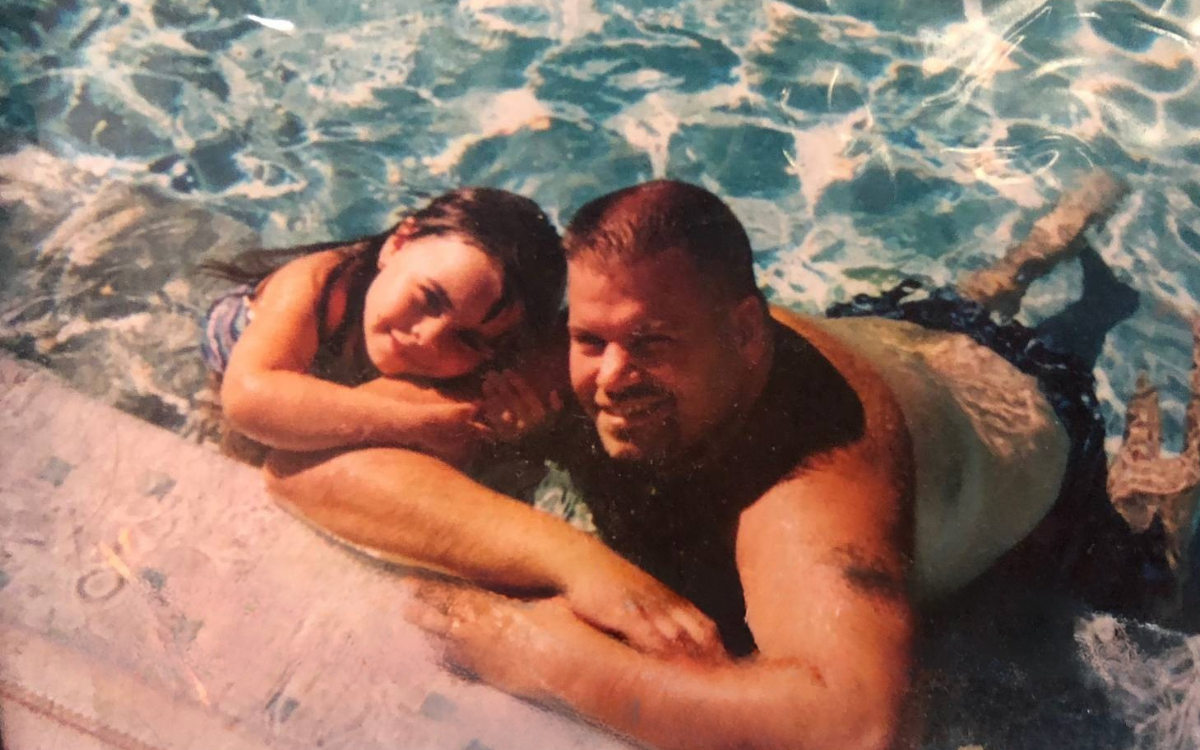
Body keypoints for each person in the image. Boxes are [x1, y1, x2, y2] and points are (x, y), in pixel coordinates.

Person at [268, 177, 1178, 749]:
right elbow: (308, 468)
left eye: (652, 344)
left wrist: (546, 656)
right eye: (591, 340)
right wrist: (576, 564)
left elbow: (855, 728)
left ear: (745, 333)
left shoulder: (815, 480)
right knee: (962, 304)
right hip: (895, 338)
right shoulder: (593, 350)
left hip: (1023, 414)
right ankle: (1036, 252)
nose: (612, 379)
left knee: (1152, 564)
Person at [200, 187, 569, 468]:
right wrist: (415, 424)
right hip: (245, 354)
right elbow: (246, 400)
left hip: (338, 374)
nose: (427, 338)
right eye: (430, 299)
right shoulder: (318, 282)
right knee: (249, 454)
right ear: (398, 243)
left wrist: (520, 434)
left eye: (467, 339)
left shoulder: (475, 349)